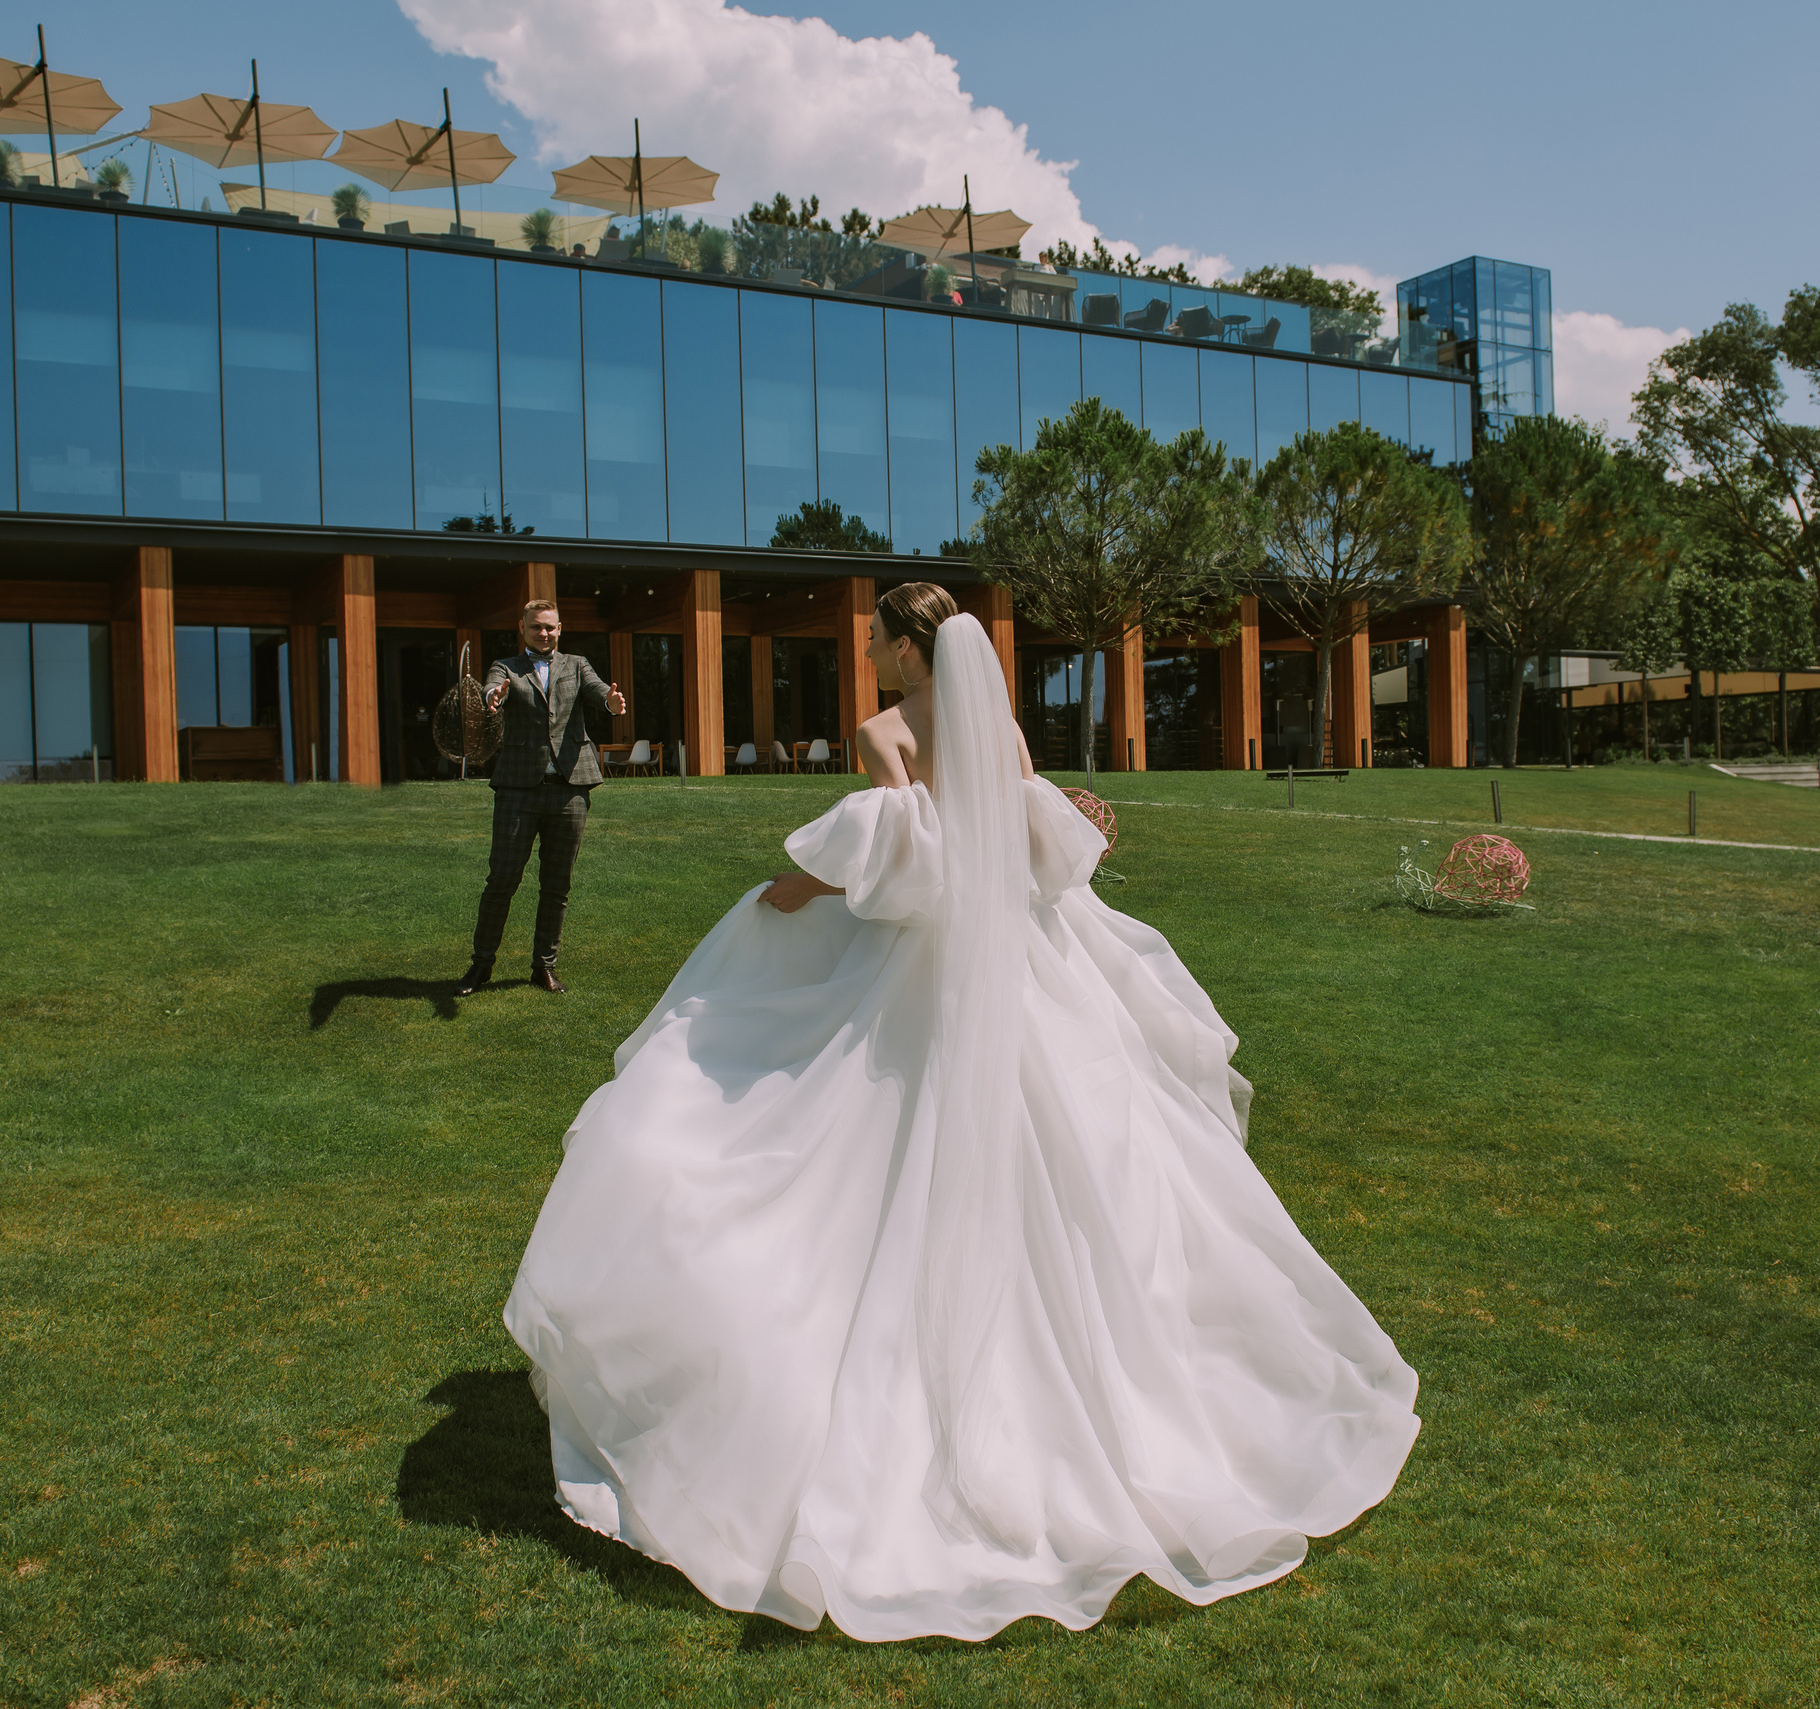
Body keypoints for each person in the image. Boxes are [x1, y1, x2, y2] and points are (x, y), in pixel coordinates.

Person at [505, 583, 1420, 1641]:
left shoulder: (883, 734)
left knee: (849, 1145)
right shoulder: (1004, 731)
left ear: (908, 648)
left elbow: (899, 871)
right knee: (1074, 1161)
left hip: (926, 975)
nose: (866, 655)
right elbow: (1029, 854)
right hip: (1019, 967)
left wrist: (790, 890)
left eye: (874, 641)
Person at [455, 599, 625, 998]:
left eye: (550, 627)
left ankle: (544, 967)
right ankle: (481, 965)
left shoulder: (577, 665)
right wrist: (493, 696)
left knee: (557, 884)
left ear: (560, 628)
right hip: (518, 788)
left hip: (570, 789)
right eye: (536, 627)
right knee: (502, 880)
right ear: (523, 628)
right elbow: (491, 688)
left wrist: (609, 701)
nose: (543, 633)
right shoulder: (506, 667)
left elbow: (598, 690)